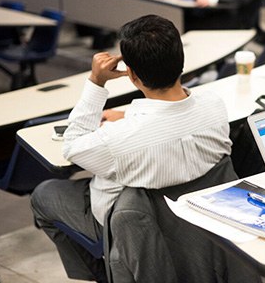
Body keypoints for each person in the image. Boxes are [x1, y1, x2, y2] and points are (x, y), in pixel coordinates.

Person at [30, 14, 233, 282]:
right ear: (181, 61)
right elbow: (171, 126)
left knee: (43, 195)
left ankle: (105, 274)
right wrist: (129, 118)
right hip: (198, 217)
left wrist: (96, 82)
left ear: (132, 75)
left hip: (129, 222)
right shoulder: (215, 106)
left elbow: (72, 145)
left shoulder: (117, 141)